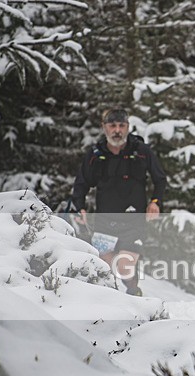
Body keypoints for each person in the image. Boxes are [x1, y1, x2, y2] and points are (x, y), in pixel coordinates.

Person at [71, 108, 167, 296]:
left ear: (128, 127)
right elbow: (81, 184)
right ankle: (110, 306)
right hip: (104, 222)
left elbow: (160, 179)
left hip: (134, 221)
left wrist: (155, 202)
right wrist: (79, 207)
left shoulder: (141, 151)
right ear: (104, 127)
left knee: (123, 267)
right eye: (112, 125)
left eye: (121, 126)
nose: (117, 130)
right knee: (105, 268)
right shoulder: (96, 154)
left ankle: (134, 293)